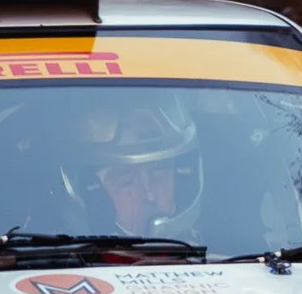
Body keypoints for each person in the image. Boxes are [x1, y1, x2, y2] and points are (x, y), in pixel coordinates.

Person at [63, 98, 204, 237]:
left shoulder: (215, 255)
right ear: (92, 194)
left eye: (157, 176)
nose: (149, 195)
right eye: (127, 182)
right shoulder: (56, 259)